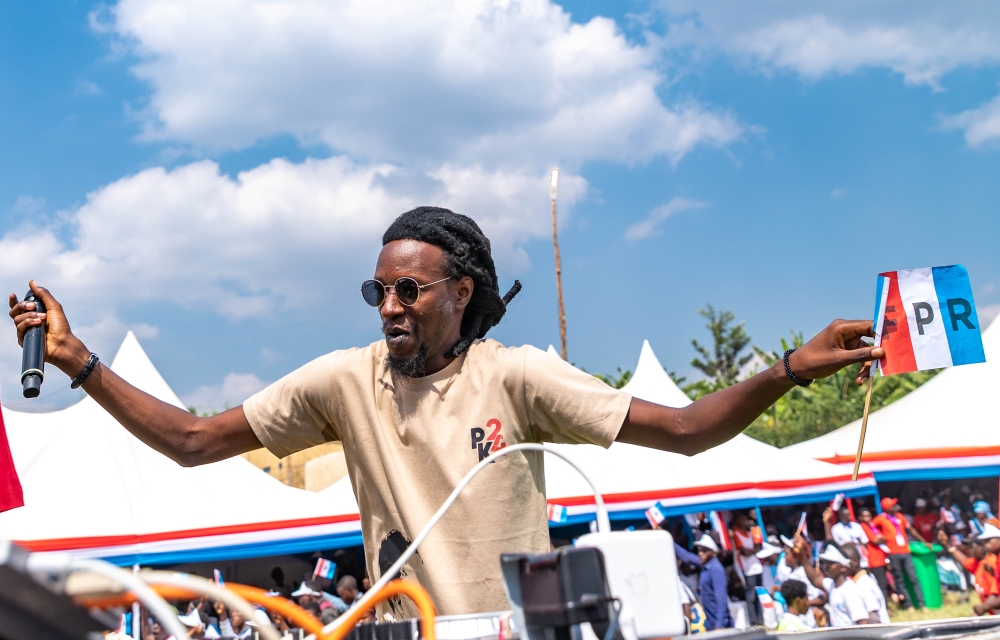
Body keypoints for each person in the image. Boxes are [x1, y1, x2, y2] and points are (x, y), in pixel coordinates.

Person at [9, 207, 886, 617]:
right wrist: (79, 359)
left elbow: (689, 432)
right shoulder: (342, 381)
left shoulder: (518, 376)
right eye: (377, 288)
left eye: (410, 288)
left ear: (461, 292)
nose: (389, 305)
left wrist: (787, 370)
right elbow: (194, 442)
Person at [796, 541, 871, 627]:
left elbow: (863, 623)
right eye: (825, 563)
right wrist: (802, 556)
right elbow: (815, 580)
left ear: (843, 567)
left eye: (831, 563)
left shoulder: (850, 591)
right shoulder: (832, 584)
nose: (826, 567)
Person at [872, 497, 927, 610]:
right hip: (893, 553)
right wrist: (880, 537)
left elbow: (911, 530)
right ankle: (909, 605)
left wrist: (924, 541)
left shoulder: (900, 517)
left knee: (913, 578)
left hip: (905, 551)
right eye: (892, 505)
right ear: (887, 508)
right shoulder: (881, 519)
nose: (895, 507)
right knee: (900, 580)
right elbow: (871, 527)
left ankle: (922, 604)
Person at [674, 536, 733, 631]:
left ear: (713, 553)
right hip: (710, 622)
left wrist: (719, 625)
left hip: (720, 625)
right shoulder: (704, 565)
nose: (701, 553)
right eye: (699, 550)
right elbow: (686, 556)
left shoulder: (716, 569)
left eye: (705, 551)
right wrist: (668, 539)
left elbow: (721, 600)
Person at [939, 525, 1000, 615]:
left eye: (972, 546)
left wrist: (983, 608)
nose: (969, 550)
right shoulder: (979, 563)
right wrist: (948, 545)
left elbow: (995, 594)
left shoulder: (990, 563)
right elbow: (964, 562)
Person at [729, 511, 764, 625]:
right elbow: (745, 552)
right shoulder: (736, 534)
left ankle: (761, 620)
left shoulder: (749, 533)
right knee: (750, 596)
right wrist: (754, 550)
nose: (746, 522)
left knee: (759, 594)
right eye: (743, 519)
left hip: (757, 567)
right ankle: (753, 622)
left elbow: (758, 546)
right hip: (747, 569)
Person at [843, 545, 889, 624]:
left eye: (844, 561)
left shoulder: (863, 584)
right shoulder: (857, 582)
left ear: (855, 561)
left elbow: (874, 619)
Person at [858, 507, 891, 602]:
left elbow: (886, 537)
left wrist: (880, 538)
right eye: (865, 516)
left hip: (881, 558)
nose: (868, 518)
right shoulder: (863, 527)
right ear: (860, 518)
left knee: (884, 583)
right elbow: (875, 540)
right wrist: (880, 538)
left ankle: (886, 604)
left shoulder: (872, 526)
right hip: (873, 560)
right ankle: (884, 607)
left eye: (869, 515)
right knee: (880, 584)